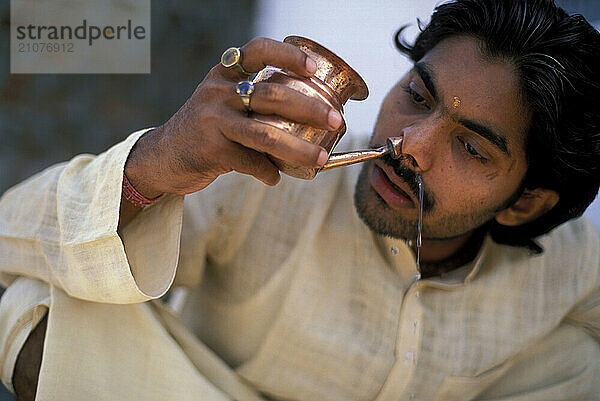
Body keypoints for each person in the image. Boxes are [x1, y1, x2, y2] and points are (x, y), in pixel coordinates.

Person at [1, 0, 599, 399]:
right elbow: (11, 238)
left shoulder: (577, 272)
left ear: (524, 204)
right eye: (417, 94)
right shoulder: (264, 176)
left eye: (471, 147)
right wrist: (163, 160)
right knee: (33, 308)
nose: (408, 146)